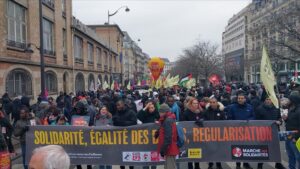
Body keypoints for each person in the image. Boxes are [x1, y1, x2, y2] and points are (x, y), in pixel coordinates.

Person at [255, 97, 286, 169]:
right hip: (263, 133)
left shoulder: (276, 108)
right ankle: (260, 165)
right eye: (267, 99)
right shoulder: (259, 109)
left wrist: (280, 121)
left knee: (276, 148)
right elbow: (256, 121)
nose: (268, 101)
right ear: (265, 100)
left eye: (270, 99)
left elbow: (279, 118)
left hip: (274, 131)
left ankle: (278, 163)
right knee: (263, 149)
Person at [226, 93, 254, 169]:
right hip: (236, 131)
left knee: (246, 146)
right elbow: (229, 118)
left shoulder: (250, 107)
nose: (240, 100)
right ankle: (238, 164)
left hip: (247, 130)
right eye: (239, 98)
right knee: (237, 147)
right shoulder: (232, 107)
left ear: (245, 99)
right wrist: (235, 123)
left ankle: (246, 163)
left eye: (242, 98)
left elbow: (253, 117)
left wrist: (248, 120)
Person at [113, 100, 137, 169]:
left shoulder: (131, 112)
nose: (118, 107)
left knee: (129, 155)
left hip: (129, 137)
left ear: (123, 105)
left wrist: (122, 123)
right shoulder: (117, 112)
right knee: (121, 155)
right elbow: (115, 123)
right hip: (120, 138)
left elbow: (134, 122)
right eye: (117, 105)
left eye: (119, 105)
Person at [204, 98, 226, 169]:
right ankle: (210, 163)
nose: (212, 104)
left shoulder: (221, 112)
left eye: (214, 102)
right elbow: (204, 121)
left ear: (217, 103)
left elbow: (224, 122)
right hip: (209, 134)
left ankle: (218, 163)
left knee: (218, 149)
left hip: (218, 134)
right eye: (211, 102)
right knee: (210, 149)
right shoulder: (206, 112)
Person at [156, 104, 179, 169]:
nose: (159, 114)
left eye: (160, 112)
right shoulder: (169, 119)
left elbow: (168, 137)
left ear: (164, 112)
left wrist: (163, 150)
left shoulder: (167, 121)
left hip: (170, 149)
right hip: (170, 148)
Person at [137, 101, 159, 169]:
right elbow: (138, 116)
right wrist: (146, 107)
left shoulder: (156, 114)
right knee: (146, 156)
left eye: (152, 108)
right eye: (149, 108)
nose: (151, 109)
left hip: (154, 139)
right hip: (146, 138)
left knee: (154, 156)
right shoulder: (144, 114)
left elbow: (162, 120)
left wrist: (158, 122)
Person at [183, 97, 202, 169]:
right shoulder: (186, 113)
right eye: (194, 103)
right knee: (190, 153)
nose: (196, 105)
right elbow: (183, 124)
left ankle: (197, 166)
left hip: (197, 136)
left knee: (197, 152)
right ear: (190, 104)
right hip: (189, 136)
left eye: (197, 103)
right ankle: (190, 166)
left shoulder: (199, 112)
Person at [282, 92, 300, 169]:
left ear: (293, 100)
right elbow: (291, 121)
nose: (288, 100)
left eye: (289, 99)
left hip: (295, 137)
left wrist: (296, 137)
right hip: (288, 135)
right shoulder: (291, 108)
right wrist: (286, 119)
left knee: (298, 156)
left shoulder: (299, 110)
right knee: (290, 155)